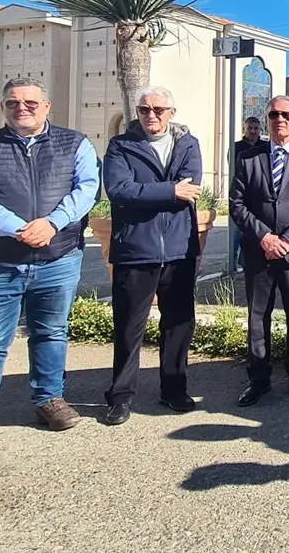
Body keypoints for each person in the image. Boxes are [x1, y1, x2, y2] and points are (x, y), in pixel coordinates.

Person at [0, 78, 99, 462]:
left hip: (58, 258)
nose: (21, 108)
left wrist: (52, 223)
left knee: (51, 332)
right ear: (3, 108)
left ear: (47, 106)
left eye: (30, 102)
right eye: (12, 103)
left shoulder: (75, 144)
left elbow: (87, 189)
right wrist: (17, 227)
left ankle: (49, 400)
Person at [101, 87, 203, 426]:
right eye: (144, 109)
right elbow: (119, 190)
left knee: (178, 324)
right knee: (129, 327)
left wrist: (151, 193)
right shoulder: (121, 146)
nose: (151, 115)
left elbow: (191, 189)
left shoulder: (188, 144)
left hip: (179, 249)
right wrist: (171, 190)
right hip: (136, 250)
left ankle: (173, 389)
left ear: (172, 112)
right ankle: (120, 395)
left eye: (158, 109)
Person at [230, 96, 289, 407]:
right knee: (258, 317)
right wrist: (265, 238)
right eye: (274, 114)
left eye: (286, 115)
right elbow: (237, 205)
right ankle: (258, 380)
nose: (279, 120)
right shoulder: (248, 158)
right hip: (258, 252)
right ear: (267, 119)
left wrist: (287, 240)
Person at [231, 117, 268, 272]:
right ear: (244, 129)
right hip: (241, 195)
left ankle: (248, 262)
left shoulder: (265, 147)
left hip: (259, 196)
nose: (253, 131)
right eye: (250, 128)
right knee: (236, 232)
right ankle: (232, 263)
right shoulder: (236, 147)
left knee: (255, 231)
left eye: (255, 128)